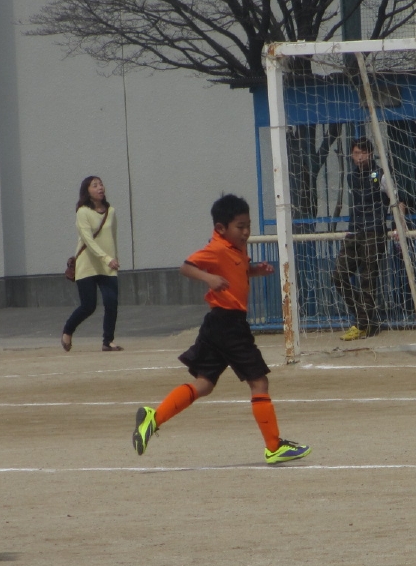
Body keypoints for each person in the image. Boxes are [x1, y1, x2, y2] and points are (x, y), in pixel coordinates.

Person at [131, 194, 311, 465]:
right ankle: (274, 447)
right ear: (220, 228)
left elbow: (237, 271)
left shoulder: (236, 247)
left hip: (217, 325)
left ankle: (153, 418)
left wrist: (254, 271)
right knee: (259, 382)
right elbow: (186, 267)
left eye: (248, 225)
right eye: (240, 226)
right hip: (229, 325)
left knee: (204, 384)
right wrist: (209, 278)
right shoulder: (216, 248)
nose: (246, 231)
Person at [332, 138, 394, 341]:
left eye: (363, 153)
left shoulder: (380, 175)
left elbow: (396, 200)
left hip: (374, 232)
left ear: (370, 154)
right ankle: (365, 316)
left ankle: (362, 325)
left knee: (367, 279)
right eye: (356, 153)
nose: (359, 157)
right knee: (338, 275)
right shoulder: (352, 177)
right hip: (355, 232)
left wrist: (397, 225)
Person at [62, 175, 122, 352]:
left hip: (107, 265)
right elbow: (88, 240)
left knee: (111, 302)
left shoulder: (111, 211)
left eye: (101, 184)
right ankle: (67, 330)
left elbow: (113, 236)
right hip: (87, 264)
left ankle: (108, 341)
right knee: (88, 306)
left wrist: (114, 258)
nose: (100, 188)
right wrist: (107, 258)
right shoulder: (82, 212)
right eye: (95, 185)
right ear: (87, 191)